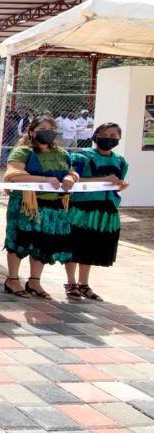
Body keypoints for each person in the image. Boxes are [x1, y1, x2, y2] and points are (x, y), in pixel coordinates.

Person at [3, 115, 78, 299]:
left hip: (53, 205)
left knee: (42, 244)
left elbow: (71, 171)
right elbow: (13, 174)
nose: (47, 131)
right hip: (26, 205)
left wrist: (71, 177)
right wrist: (44, 180)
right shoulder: (23, 152)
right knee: (20, 241)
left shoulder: (62, 153)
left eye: (51, 128)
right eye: (43, 128)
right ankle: (12, 280)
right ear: (32, 131)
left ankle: (34, 281)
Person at [64, 122, 129, 301]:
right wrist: (102, 179)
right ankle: (71, 282)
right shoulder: (81, 156)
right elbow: (73, 179)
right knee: (75, 244)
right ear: (97, 135)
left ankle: (84, 283)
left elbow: (116, 186)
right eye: (106, 134)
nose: (110, 139)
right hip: (82, 207)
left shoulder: (121, 161)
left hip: (105, 209)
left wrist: (121, 186)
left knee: (92, 247)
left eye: (114, 136)